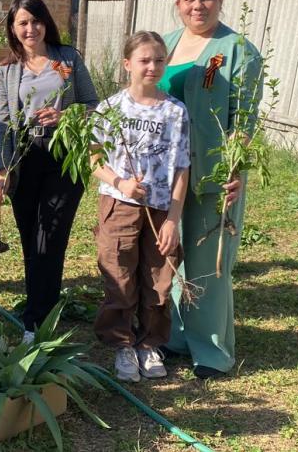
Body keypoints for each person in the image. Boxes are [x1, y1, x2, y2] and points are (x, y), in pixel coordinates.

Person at [160, 0, 263, 379]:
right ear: (177, 3)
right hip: (165, 171)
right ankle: (176, 337)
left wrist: (236, 169)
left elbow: (246, 118)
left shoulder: (238, 49)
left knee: (208, 262)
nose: (197, 5)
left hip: (213, 172)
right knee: (172, 254)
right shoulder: (166, 44)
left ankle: (212, 351)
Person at [0, 0, 99, 342]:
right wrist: (3, 168)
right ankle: (42, 306)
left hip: (63, 154)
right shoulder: (6, 69)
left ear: (45, 23)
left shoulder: (66, 58)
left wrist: (66, 114)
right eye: (22, 22)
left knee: (50, 236)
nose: (30, 28)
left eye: (35, 21)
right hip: (26, 155)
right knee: (29, 237)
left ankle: (36, 319)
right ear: (12, 28)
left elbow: (94, 104)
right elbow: (3, 121)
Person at [90, 31, 190, 382]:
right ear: (127, 64)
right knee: (119, 273)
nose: (152, 66)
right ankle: (123, 344)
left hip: (161, 208)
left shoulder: (175, 111)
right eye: (144, 60)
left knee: (159, 276)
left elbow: (182, 168)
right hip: (119, 205)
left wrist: (172, 220)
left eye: (159, 60)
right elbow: (94, 158)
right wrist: (121, 183)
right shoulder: (110, 109)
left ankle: (150, 343)